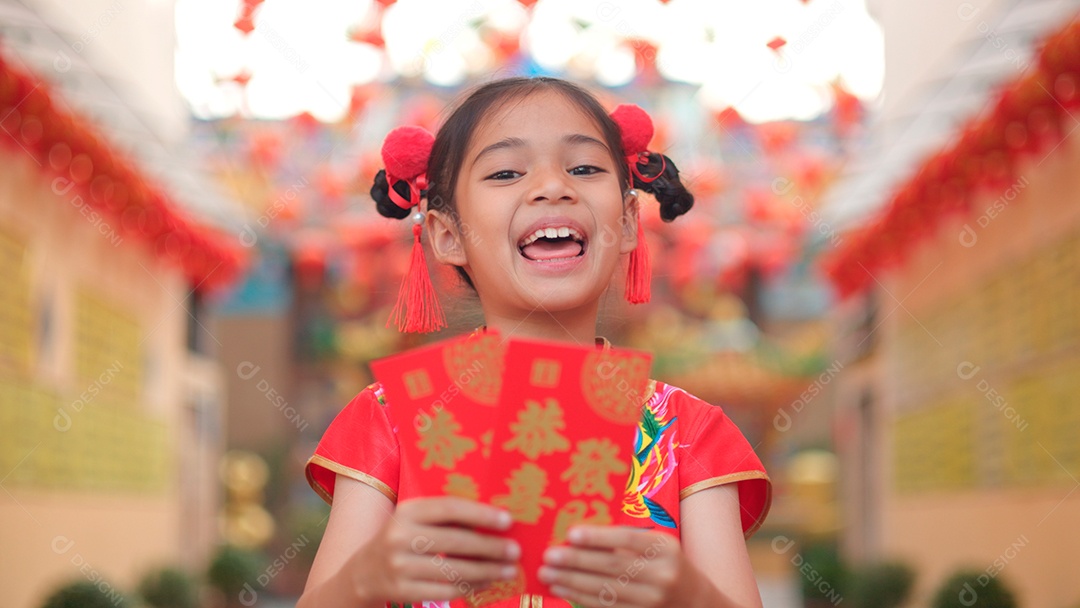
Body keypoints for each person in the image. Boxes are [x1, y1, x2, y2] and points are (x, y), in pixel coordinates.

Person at [298, 77, 771, 608]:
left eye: (585, 168)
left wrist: (688, 593)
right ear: (446, 236)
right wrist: (364, 579)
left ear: (630, 222)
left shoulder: (690, 433)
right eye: (505, 172)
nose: (552, 186)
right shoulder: (389, 420)